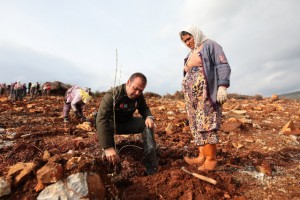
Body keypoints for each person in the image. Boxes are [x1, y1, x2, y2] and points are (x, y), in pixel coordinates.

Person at [179, 25, 231, 171]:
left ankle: (211, 160)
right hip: (192, 97)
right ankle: (201, 156)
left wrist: (222, 85)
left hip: (205, 93)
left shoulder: (210, 45)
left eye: (189, 38)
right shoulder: (191, 53)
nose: (187, 43)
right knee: (196, 124)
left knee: (206, 123)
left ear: (196, 34)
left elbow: (223, 65)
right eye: (185, 41)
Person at [96, 72, 158, 175]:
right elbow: (102, 119)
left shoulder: (139, 96)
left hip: (127, 122)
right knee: (105, 127)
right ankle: (111, 166)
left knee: (146, 125)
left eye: (141, 90)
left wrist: (149, 117)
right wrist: (107, 147)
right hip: (112, 125)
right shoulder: (112, 95)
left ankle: (151, 164)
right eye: (135, 88)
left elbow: (144, 108)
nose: (138, 93)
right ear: (128, 82)